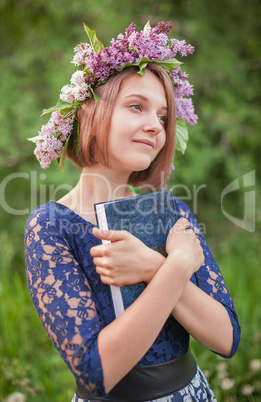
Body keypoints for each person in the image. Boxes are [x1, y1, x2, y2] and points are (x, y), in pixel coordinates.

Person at [24, 21, 240, 401]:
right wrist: (175, 267)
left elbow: (226, 338)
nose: (156, 126)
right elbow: (96, 372)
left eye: (162, 116)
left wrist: (150, 267)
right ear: (90, 112)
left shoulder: (169, 210)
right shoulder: (52, 226)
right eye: (137, 106)